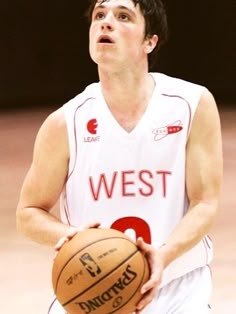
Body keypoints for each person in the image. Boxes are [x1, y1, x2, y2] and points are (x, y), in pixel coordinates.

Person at [16, 0, 223, 313]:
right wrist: (72, 237)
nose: (106, 22)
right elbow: (29, 212)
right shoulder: (64, 122)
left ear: (149, 42)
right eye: (99, 15)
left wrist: (163, 256)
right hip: (94, 288)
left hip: (178, 289)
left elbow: (205, 202)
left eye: (123, 16)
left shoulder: (191, 104)